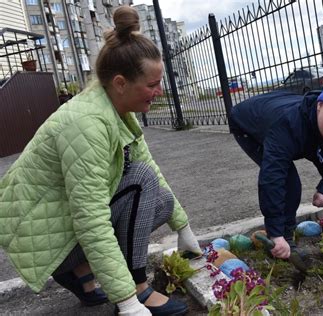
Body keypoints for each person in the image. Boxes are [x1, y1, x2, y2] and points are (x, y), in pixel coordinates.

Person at [0, 6, 201, 316]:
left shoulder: (116, 109)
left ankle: (79, 272)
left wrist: (183, 227)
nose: (158, 92)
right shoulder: (86, 122)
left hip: (60, 225)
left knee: (158, 200)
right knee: (140, 181)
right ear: (120, 83)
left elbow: (152, 169)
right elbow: (89, 216)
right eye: (151, 85)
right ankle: (136, 287)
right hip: (38, 238)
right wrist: (126, 301)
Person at [229, 75, 323, 260]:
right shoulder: (286, 126)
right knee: (290, 183)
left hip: (286, 110)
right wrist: (275, 233)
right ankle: (283, 238)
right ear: (320, 104)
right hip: (248, 123)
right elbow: (272, 179)